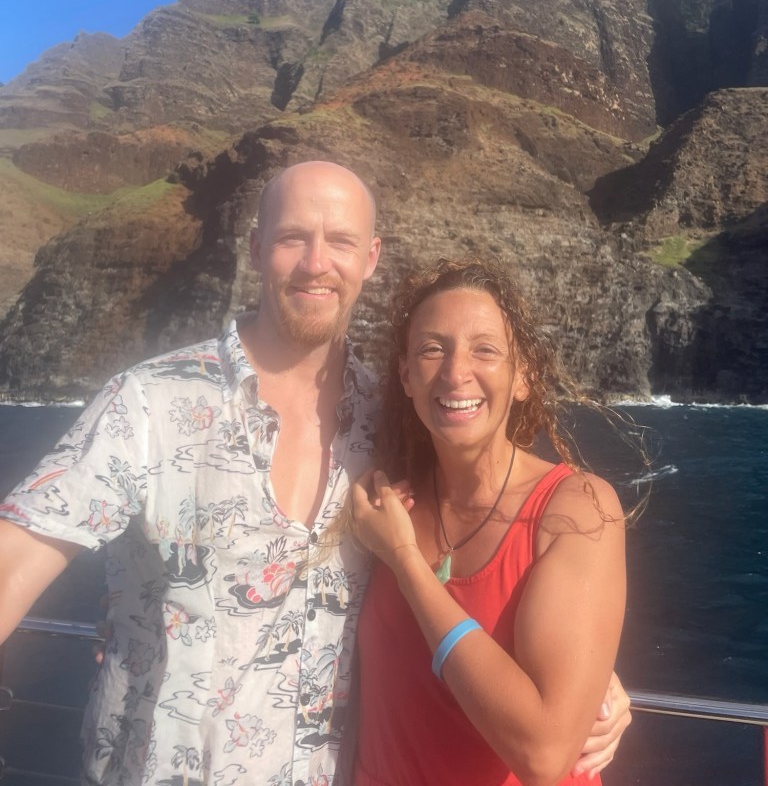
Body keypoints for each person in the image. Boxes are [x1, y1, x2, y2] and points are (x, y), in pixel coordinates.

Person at [0, 162, 629, 785]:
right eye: (292, 237)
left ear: (370, 257)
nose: (316, 263)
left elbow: (492, 562)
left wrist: (590, 678)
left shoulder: (389, 424)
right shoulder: (149, 405)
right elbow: (15, 558)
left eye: (341, 241)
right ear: (256, 249)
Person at [351, 258, 627, 786]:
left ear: (523, 377)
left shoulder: (575, 509)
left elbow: (544, 754)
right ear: (406, 376)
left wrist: (406, 563)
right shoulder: (380, 503)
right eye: (432, 349)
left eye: (485, 350)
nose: (456, 372)